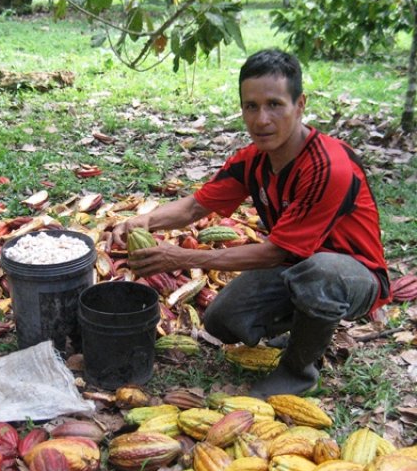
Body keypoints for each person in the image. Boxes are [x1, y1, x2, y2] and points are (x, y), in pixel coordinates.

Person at [112, 48, 391, 398]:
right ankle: (305, 323)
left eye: (275, 104)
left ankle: (298, 371)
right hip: (297, 264)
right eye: (251, 106)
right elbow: (195, 207)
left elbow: (274, 253)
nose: (261, 120)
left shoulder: (327, 166)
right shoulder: (253, 160)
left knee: (320, 274)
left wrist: (181, 258)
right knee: (222, 319)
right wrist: (144, 220)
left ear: (300, 104)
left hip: (355, 273)